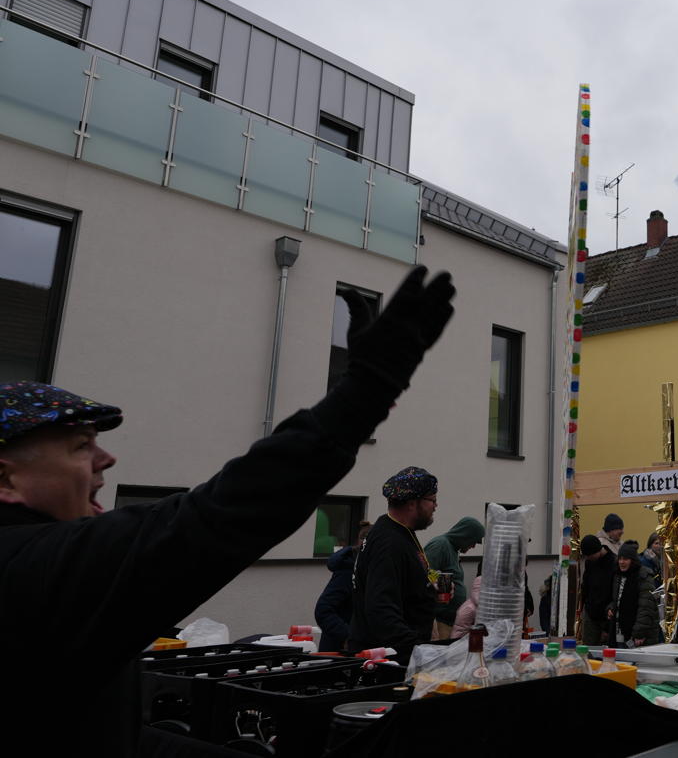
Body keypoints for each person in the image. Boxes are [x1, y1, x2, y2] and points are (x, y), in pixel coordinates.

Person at [0, 265, 454, 757]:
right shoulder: (32, 568)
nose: (106, 457)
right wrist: (366, 390)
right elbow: (220, 515)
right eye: (80, 445)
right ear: (7, 478)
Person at [348, 466, 441, 659]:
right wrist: (416, 651)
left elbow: (415, 569)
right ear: (412, 503)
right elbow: (380, 608)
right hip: (387, 661)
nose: (436, 505)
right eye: (432, 499)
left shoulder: (401, 533)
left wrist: (432, 584)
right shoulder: (389, 543)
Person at [314, 520, 372, 652]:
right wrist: (348, 636)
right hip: (338, 653)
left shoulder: (372, 569)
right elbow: (323, 610)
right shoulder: (348, 570)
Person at [423, 515, 484, 638]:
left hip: (450, 621)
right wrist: (441, 582)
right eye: (473, 542)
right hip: (439, 621)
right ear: (464, 535)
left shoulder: (453, 550)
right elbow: (424, 570)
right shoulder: (440, 545)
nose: (473, 546)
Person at [608, 540, 661, 647]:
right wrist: (610, 608)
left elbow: (646, 608)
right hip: (619, 631)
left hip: (638, 636)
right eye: (620, 559)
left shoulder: (644, 576)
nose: (621, 562)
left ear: (632, 560)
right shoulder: (618, 575)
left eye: (625, 559)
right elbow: (617, 600)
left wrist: (639, 633)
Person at [579, 533, 616, 645]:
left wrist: (607, 628)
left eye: (589, 555)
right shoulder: (590, 562)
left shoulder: (613, 563)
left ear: (597, 550)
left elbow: (614, 592)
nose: (587, 558)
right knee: (589, 648)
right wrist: (584, 604)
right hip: (591, 614)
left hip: (607, 615)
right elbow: (586, 585)